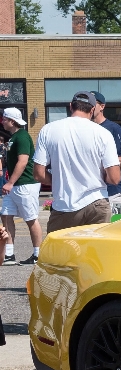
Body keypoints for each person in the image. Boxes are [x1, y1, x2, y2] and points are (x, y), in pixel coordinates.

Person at [32, 91, 120, 233]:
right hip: (96, 204)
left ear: (71, 106)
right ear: (92, 109)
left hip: (64, 205)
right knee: (95, 253)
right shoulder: (103, 133)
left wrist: (60, 180)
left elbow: (38, 174)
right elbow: (115, 178)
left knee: (60, 253)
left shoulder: (48, 130)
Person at [0, 108, 41, 265]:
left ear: (12, 121)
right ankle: (9, 254)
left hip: (26, 184)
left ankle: (38, 254)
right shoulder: (14, 137)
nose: (2, 121)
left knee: (30, 219)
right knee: (6, 215)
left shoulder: (22, 136)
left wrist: (10, 183)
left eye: (4, 119)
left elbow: (23, 161)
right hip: (15, 185)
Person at [90, 91, 121, 211]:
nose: (90, 107)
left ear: (102, 106)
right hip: (92, 194)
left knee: (116, 229)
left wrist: (101, 160)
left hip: (114, 192)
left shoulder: (114, 128)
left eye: (93, 103)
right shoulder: (85, 129)